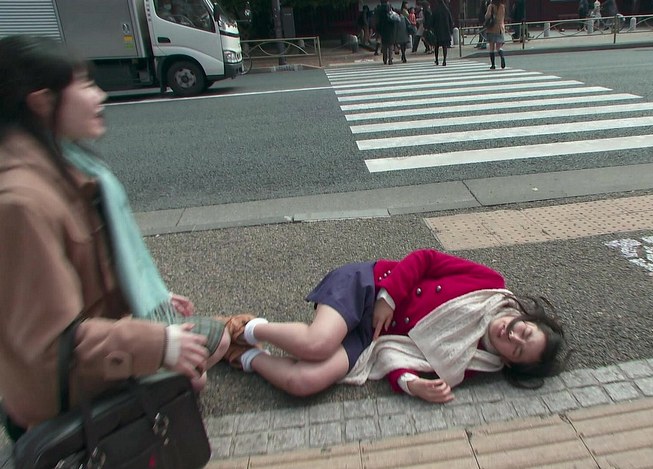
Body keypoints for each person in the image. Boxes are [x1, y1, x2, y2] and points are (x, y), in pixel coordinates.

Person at [0, 35, 230, 442]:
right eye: (84, 85)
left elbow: (87, 276)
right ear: (42, 102)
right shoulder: (23, 202)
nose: (100, 95)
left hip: (90, 350)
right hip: (57, 388)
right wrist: (158, 344)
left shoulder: (65, 166)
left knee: (201, 358)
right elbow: (50, 348)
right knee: (199, 359)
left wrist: (150, 298)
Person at [220, 249, 570, 403]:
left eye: (517, 349)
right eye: (523, 330)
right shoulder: (490, 285)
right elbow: (426, 258)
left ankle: (243, 357)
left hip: (372, 340)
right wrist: (389, 296)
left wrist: (413, 385)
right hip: (371, 287)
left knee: (303, 382)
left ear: (507, 362)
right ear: (526, 317)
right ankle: (242, 329)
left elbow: (402, 359)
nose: (511, 335)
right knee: (317, 344)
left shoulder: (476, 362)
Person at [484, 0, 508, 70]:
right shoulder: (502, 6)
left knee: (491, 47)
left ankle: (493, 65)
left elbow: (487, 16)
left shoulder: (491, 6)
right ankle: (502, 56)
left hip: (491, 28)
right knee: (498, 47)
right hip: (500, 28)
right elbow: (502, 17)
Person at [431, 0, 454, 66]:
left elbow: (432, 21)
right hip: (445, 31)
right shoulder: (446, 10)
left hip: (437, 30)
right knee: (445, 46)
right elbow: (450, 20)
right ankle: (444, 60)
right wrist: (450, 30)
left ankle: (437, 60)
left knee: (436, 46)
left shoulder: (436, 10)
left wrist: (432, 28)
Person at [375, 0, 397, 65]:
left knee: (384, 44)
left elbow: (377, 20)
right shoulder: (390, 8)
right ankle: (390, 59)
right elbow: (393, 17)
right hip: (390, 28)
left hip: (382, 28)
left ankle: (385, 59)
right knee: (390, 45)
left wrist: (378, 29)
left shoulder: (379, 9)